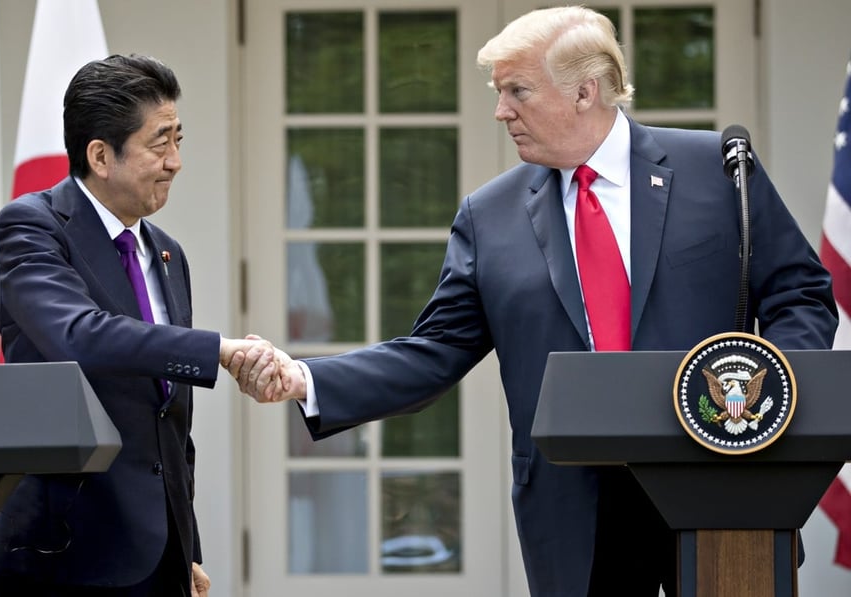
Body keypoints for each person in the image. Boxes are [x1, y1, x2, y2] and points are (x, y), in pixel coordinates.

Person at [225, 6, 838, 596]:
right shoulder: (489, 216)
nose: (500, 111)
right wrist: (305, 377)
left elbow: (800, 292)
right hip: (574, 506)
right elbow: (432, 353)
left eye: (517, 91)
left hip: (716, 479)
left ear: (585, 91)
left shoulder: (715, 168)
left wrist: (764, 400)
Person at [0, 54, 267, 597]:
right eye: (160, 143)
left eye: (179, 139)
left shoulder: (167, 254)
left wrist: (186, 546)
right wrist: (220, 351)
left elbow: (171, 422)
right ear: (100, 156)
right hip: (59, 559)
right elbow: (79, 335)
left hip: (158, 560)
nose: (176, 161)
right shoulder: (32, 228)